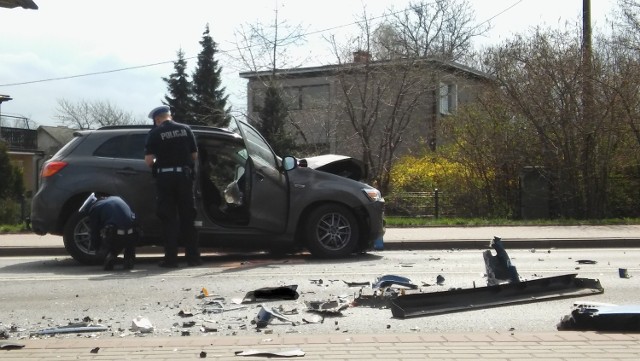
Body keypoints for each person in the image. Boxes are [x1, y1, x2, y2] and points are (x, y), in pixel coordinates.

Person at [144, 105, 202, 268]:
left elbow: (149, 161)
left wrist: (159, 161)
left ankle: (171, 259)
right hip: (184, 178)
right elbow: (194, 155)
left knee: (168, 219)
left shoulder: (154, 133)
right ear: (170, 116)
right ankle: (193, 258)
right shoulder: (186, 129)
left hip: (165, 178)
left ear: (157, 120)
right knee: (188, 218)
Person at [79, 193, 138, 271]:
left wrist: (97, 248)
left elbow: (94, 232)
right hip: (132, 232)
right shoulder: (116, 198)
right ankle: (129, 259)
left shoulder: (95, 209)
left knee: (109, 234)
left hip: (115, 234)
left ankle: (110, 256)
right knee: (128, 240)